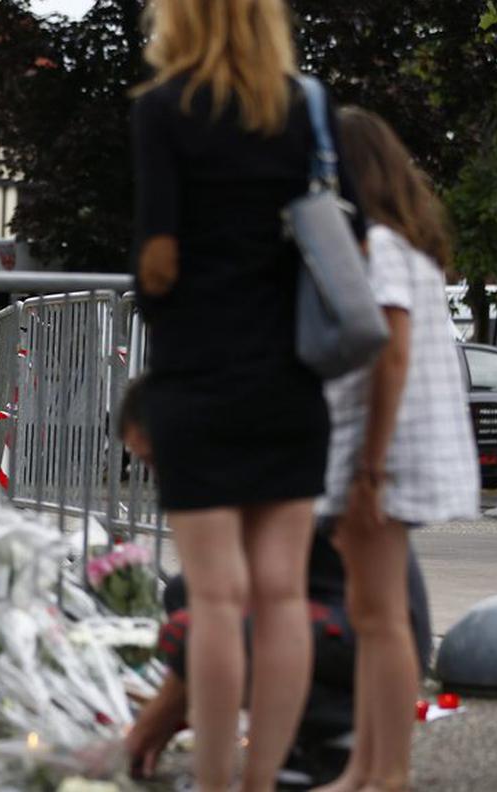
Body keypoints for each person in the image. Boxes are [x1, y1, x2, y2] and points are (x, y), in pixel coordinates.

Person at [130, 2, 365, 788]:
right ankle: (264, 780)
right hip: (289, 384)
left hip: (197, 377)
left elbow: (159, 258)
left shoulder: (164, 111)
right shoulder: (306, 106)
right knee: (283, 593)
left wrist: (157, 295)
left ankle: (219, 782)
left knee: (219, 599)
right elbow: (349, 236)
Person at [116, 377, 433, 789]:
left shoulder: (255, 472)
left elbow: (224, 617)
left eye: (156, 460)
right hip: (332, 619)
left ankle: (338, 729)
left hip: (371, 636)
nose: (159, 477)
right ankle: (299, 725)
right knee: (184, 593)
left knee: (204, 627)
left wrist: (149, 726)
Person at [311, 109, 478, 792]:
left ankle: (385, 773)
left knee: (377, 618)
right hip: (399, 444)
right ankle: (369, 767)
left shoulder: (376, 248)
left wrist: (369, 467)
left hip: (382, 450)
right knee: (378, 613)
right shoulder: (409, 247)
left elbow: (390, 351)